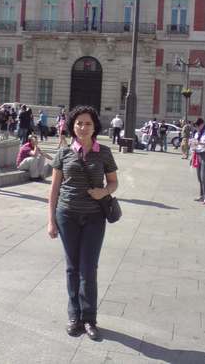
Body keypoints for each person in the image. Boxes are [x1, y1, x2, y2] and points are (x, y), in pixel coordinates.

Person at [48, 105, 118, 341]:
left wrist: (104, 191)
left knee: (89, 269)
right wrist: (51, 221)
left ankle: (89, 319)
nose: (83, 127)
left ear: (94, 127)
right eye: (79, 123)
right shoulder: (64, 153)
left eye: (88, 123)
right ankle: (73, 316)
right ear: (72, 126)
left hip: (94, 217)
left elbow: (114, 182)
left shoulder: (104, 152)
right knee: (72, 268)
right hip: (66, 215)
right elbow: (55, 188)